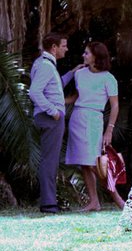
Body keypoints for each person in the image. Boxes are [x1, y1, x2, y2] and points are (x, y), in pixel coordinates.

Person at [65, 41, 124, 211]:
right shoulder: (80, 74)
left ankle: (117, 198)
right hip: (77, 117)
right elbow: (77, 96)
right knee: (84, 163)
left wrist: (109, 130)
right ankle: (94, 202)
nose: (83, 56)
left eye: (86, 53)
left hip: (94, 119)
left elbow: (115, 106)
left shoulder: (108, 78)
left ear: (96, 57)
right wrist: (58, 102)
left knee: (93, 162)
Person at [27, 32, 78, 213]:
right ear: (54, 48)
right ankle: (49, 204)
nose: (67, 48)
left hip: (49, 118)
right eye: (64, 45)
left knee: (50, 160)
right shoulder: (46, 66)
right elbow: (34, 92)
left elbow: (54, 86)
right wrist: (53, 111)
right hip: (50, 119)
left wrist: (72, 73)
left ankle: (49, 202)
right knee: (50, 161)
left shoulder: (46, 65)